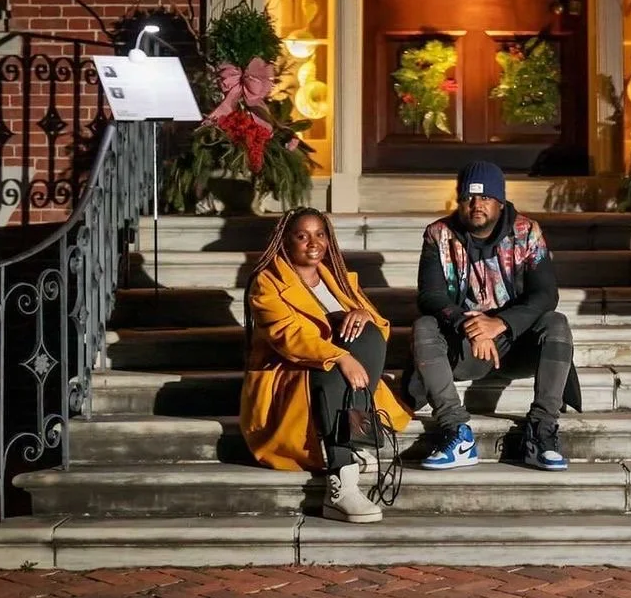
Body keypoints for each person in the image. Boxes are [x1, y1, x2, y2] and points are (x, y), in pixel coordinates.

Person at [406, 161, 580, 472]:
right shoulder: (439, 235)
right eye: (469, 198)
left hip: (517, 345)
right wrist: (470, 326)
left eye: (485, 198)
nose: (476, 205)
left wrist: (499, 323)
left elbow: (545, 294)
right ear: (459, 200)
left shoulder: (527, 233)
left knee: (556, 322)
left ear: (500, 201)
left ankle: (540, 432)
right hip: (465, 348)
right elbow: (430, 296)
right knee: (424, 326)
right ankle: (456, 430)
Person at [241, 206, 410, 523]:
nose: (313, 242)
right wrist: (340, 356)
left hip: (339, 372)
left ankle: (355, 439)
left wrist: (362, 314)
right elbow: (289, 338)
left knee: (369, 334)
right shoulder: (267, 283)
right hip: (292, 374)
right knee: (333, 368)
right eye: (302, 236)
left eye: (320, 235)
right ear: (286, 241)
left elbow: (379, 327)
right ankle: (341, 482)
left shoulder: (340, 280)